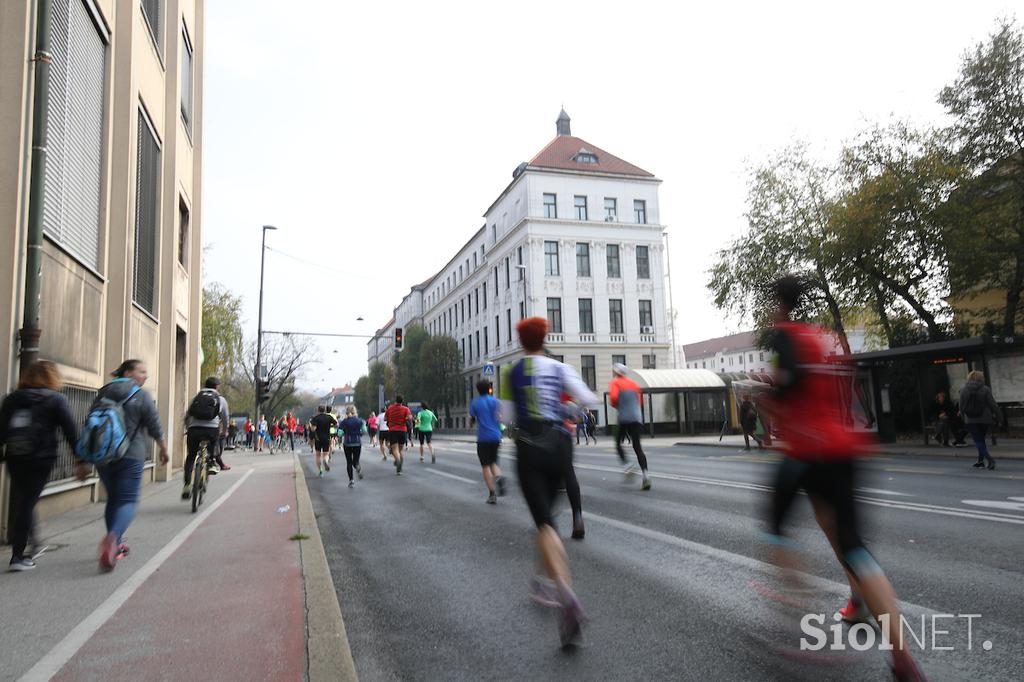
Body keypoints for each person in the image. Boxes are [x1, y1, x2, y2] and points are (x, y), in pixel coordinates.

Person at [760, 276, 926, 681]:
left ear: (778, 305)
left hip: (806, 451)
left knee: (775, 530)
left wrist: (765, 392)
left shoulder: (784, 337)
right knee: (848, 540)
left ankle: (795, 611)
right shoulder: (825, 336)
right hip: (846, 447)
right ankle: (899, 652)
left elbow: (791, 384)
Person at [499, 317, 596, 647]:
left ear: (520, 340)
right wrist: (567, 411)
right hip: (559, 448)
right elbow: (588, 398)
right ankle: (542, 581)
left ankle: (566, 595)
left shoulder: (510, 372)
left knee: (544, 525)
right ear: (545, 337)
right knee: (549, 524)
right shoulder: (559, 368)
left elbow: (507, 418)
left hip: (529, 451)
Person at [76, 360, 168, 573]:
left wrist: (83, 460)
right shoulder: (141, 395)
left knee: (114, 499)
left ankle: (115, 543)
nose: (145, 376)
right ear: (128, 372)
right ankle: (113, 539)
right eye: (142, 371)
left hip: (104, 457)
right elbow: (155, 425)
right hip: (131, 455)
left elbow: (91, 424)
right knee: (127, 501)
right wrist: (163, 448)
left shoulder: (104, 392)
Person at [0, 360, 78, 571]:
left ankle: (32, 543)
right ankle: (18, 556)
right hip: (42, 458)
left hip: (16, 456)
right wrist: (80, 460)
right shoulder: (56, 399)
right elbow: (70, 431)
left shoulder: (12, 398)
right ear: (52, 378)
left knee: (25, 499)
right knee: (27, 502)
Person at [182, 377, 231, 501]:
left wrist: (188, 428)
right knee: (213, 447)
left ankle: (187, 486)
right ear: (217, 387)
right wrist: (224, 431)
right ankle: (212, 463)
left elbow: (188, 415)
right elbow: (225, 418)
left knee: (191, 456)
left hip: (194, 429)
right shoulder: (221, 399)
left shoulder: (196, 397)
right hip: (211, 429)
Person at [609, 364, 651, 491]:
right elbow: (641, 402)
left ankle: (628, 466)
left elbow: (613, 398)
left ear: (616, 372)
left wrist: (619, 405)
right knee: (638, 447)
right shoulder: (634, 384)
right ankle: (645, 476)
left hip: (624, 417)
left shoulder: (615, 383)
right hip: (637, 418)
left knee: (617, 443)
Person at [469, 382, 506, 504]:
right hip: (496, 436)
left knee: (485, 466)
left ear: (478, 390)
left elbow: (473, 419)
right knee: (493, 462)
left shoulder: (475, 402)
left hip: (483, 437)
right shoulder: (496, 401)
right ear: (489, 389)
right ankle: (499, 477)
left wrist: (471, 425)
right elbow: (500, 418)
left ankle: (492, 494)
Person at [959, 371, 1000, 470]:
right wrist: (999, 416)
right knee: (981, 439)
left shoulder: (963, 390)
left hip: (970, 419)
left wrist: (962, 417)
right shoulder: (985, 389)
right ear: (981, 378)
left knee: (978, 440)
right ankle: (980, 461)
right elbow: (992, 404)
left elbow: (961, 406)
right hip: (985, 418)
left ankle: (990, 460)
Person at [384, 396, 413, 475]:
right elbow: (410, 417)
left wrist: (391, 418)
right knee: (400, 450)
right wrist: (406, 418)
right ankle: (399, 470)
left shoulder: (390, 408)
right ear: (402, 401)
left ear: (395, 401)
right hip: (402, 431)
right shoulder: (406, 409)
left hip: (393, 431)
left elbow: (385, 419)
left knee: (395, 449)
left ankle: (398, 461)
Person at [339, 406, 365, 487]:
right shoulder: (360, 421)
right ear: (355, 411)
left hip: (347, 443)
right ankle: (357, 467)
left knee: (349, 462)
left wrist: (344, 433)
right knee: (355, 461)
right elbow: (364, 430)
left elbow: (339, 433)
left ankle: (351, 480)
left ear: (347, 412)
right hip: (357, 443)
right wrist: (360, 434)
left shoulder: (344, 422)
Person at [309, 405, 337, 477]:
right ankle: (325, 460)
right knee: (326, 454)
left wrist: (312, 427)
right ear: (324, 410)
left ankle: (320, 471)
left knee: (318, 455)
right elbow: (336, 423)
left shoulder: (315, 418)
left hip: (318, 438)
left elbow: (313, 429)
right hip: (327, 438)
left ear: (318, 410)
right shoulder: (328, 417)